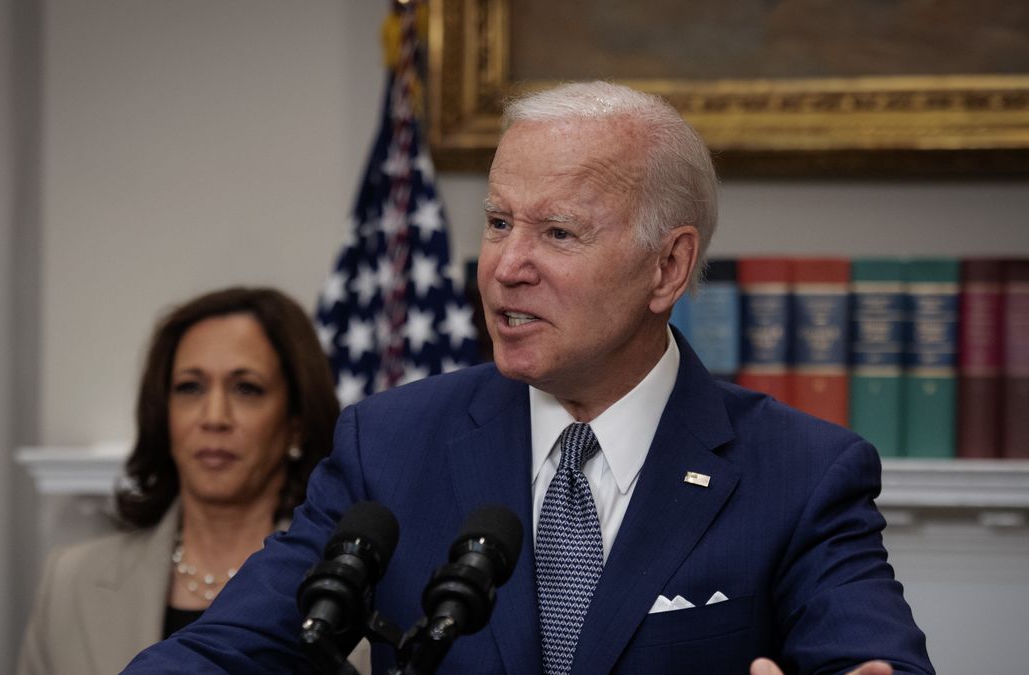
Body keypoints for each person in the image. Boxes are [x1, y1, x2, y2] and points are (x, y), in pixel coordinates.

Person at [120, 82, 933, 674]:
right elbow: (232, 652)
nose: (507, 267)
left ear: (669, 266)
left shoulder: (799, 474)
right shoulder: (390, 445)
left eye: (558, 232)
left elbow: (873, 662)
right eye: (500, 222)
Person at [0, 287, 344, 675]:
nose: (214, 416)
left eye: (246, 389)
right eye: (190, 388)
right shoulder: (69, 581)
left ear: (296, 424)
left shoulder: (344, 583)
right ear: (162, 414)